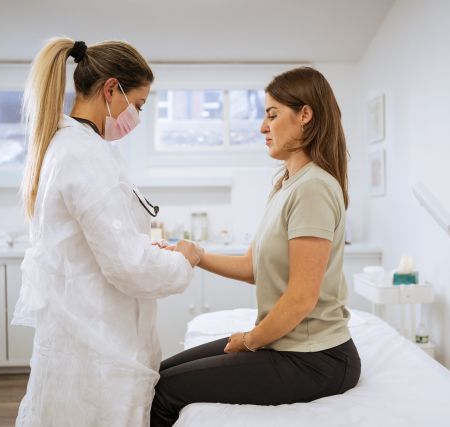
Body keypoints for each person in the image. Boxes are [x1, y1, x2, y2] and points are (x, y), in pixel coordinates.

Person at [151, 67, 361, 426]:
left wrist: (250, 340)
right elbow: (253, 267)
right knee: (157, 375)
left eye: (272, 115)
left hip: (317, 359)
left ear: (305, 115)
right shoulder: (286, 185)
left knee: (167, 389)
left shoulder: (314, 188)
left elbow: (301, 299)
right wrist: (197, 255)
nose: (263, 127)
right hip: (289, 347)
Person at [12, 37, 200, 427]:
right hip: (97, 350)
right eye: (139, 105)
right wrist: (183, 261)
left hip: (86, 340)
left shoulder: (77, 149)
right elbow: (128, 266)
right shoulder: (82, 156)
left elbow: (110, 245)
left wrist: (152, 252)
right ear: (111, 89)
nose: (137, 116)